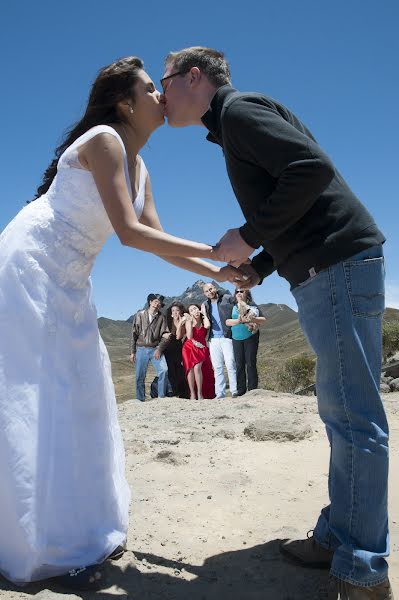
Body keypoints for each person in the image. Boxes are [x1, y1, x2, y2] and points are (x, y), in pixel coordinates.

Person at [0, 55, 243, 589]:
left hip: (71, 277)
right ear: (124, 102)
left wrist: (221, 273)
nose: (161, 95)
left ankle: (74, 529)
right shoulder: (105, 139)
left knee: (80, 389)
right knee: (37, 389)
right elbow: (130, 233)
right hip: (33, 263)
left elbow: (158, 243)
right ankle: (38, 542)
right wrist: (215, 247)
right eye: (150, 87)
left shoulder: (141, 166)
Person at [161, 47, 391, 598]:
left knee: (355, 419)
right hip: (324, 265)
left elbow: (312, 171)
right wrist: (262, 265)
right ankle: (340, 534)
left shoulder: (238, 112)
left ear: (194, 77)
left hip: (334, 265)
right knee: (342, 416)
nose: (160, 94)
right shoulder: (236, 120)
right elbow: (302, 191)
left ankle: (363, 570)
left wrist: (249, 235)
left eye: (164, 81)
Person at [129, 293, 170, 401]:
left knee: (164, 370)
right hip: (141, 349)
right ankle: (140, 399)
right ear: (150, 302)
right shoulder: (140, 315)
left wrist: (159, 349)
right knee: (139, 376)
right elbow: (134, 334)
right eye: (156, 301)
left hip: (155, 349)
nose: (157, 304)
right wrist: (133, 352)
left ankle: (161, 397)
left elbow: (165, 335)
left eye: (160, 303)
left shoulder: (162, 317)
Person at [201, 283, 238, 399]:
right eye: (207, 291)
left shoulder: (227, 298)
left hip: (227, 336)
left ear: (215, 288)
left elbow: (239, 306)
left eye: (211, 289)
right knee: (217, 367)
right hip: (213, 339)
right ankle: (220, 393)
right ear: (204, 293)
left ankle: (234, 391)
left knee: (230, 363)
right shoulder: (205, 305)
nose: (209, 292)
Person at [226, 289, 266, 396]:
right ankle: (241, 390)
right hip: (236, 338)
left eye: (242, 291)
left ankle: (253, 389)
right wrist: (239, 321)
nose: (239, 293)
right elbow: (227, 321)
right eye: (237, 291)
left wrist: (251, 319)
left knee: (250, 363)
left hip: (250, 337)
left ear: (246, 293)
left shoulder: (252, 305)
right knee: (239, 364)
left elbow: (263, 319)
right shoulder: (232, 306)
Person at [178, 304, 215, 400]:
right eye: (191, 310)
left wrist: (204, 314)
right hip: (189, 347)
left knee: (197, 367)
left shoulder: (204, 320)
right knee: (190, 369)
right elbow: (189, 336)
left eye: (195, 308)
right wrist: (189, 322)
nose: (195, 311)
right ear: (190, 313)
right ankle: (192, 393)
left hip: (201, 347)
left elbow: (207, 325)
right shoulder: (189, 322)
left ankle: (200, 393)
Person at [164, 302, 190, 398]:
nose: (175, 312)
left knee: (179, 370)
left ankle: (183, 393)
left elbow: (179, 337)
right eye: (173, 311)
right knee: (170, 370)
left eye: (177, 310)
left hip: (179, 348)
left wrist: (180, 323)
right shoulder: (167, 322)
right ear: (170, 313)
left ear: (180, 312)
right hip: (168, 348)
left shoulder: (183, 322)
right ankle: (172, 392)